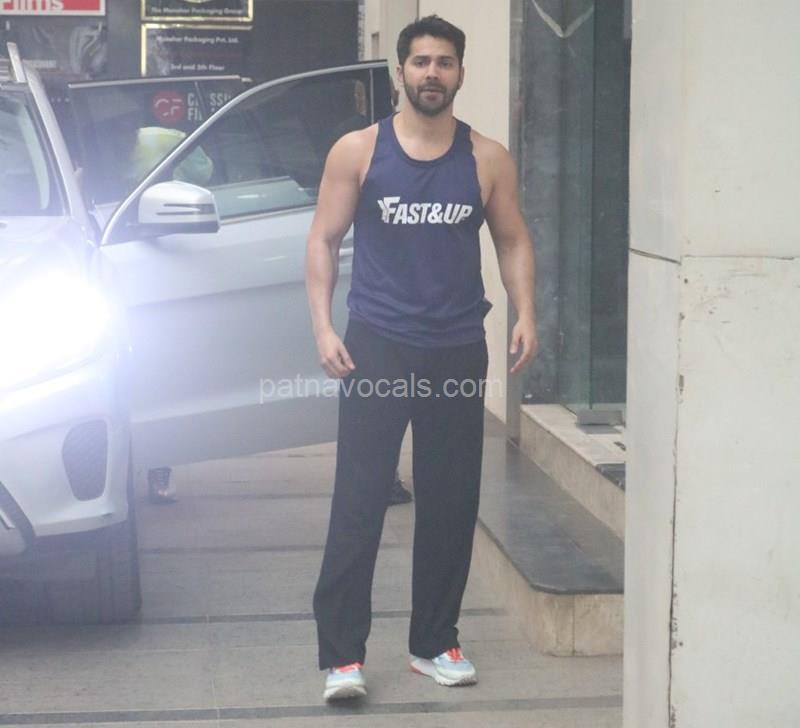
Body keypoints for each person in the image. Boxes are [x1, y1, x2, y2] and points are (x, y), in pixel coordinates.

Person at [306, 15, 537, 702]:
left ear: (460, 72)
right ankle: (342, 657)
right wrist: (323, 327)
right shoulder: (358, 151)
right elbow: (323, 240)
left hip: (456, 349)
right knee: (359, 498)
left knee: (450, 499)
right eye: (420, 62)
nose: (431, 73)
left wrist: (527, 311)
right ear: (400, 71)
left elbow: (513, 239)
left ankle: (435, 642)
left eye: (444, 62)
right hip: (376, 345)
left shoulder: (487, 158)